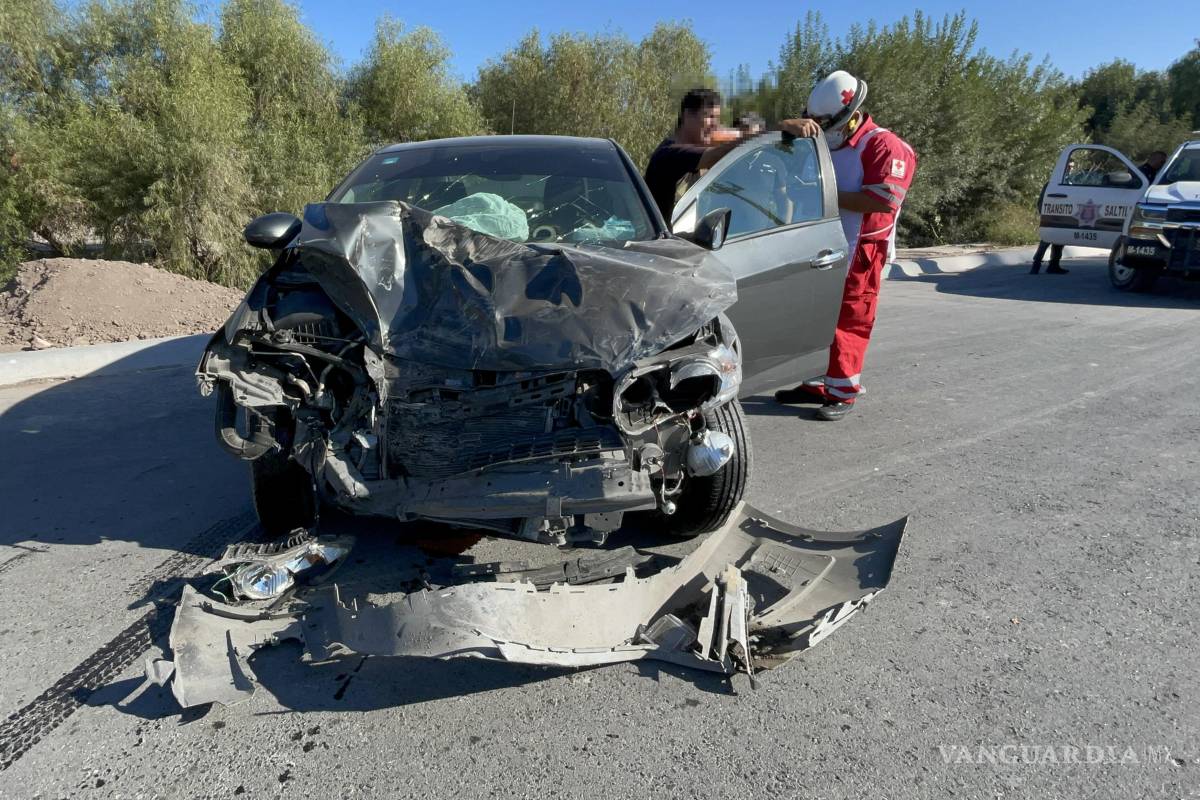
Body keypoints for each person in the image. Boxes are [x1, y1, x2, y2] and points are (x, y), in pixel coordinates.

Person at [771, 70, 917, 421]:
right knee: (816, 314)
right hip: (825, 242)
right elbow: (779, 138)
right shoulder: (829, 137)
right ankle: (816, 381)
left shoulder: (883, 146)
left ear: (851, 117)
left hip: (862, 247)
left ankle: (843, 390)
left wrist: (825, 197)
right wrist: (785, 125)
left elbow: (882, 201)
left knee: (850, 317)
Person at [643, 89, 746, 220]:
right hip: (661, 239)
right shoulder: (670, 154)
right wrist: (753, 138)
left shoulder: (693, 150)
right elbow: (713, 156)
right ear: (687, 115)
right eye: (709, 116)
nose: (715, 125)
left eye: (717, 119)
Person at [1030, 180, 1067, 275]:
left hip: (1062, 215)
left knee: (1059, 241)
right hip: (1050, 215)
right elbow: (1041, 201)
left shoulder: (1066, 183)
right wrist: (1044, 214)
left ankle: (1053, 265)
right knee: (1046, 240)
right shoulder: (1051, 184)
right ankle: (1036, 265)